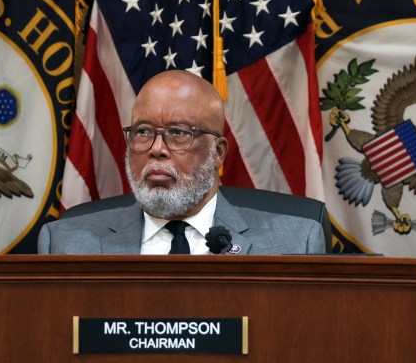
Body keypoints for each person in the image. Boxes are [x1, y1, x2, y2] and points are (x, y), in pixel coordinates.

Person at [39, 70, 325, 255]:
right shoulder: (66, 243)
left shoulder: (296, 243)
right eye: (143, 132)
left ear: (218, 152)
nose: (157, 150)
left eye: (178, 133)